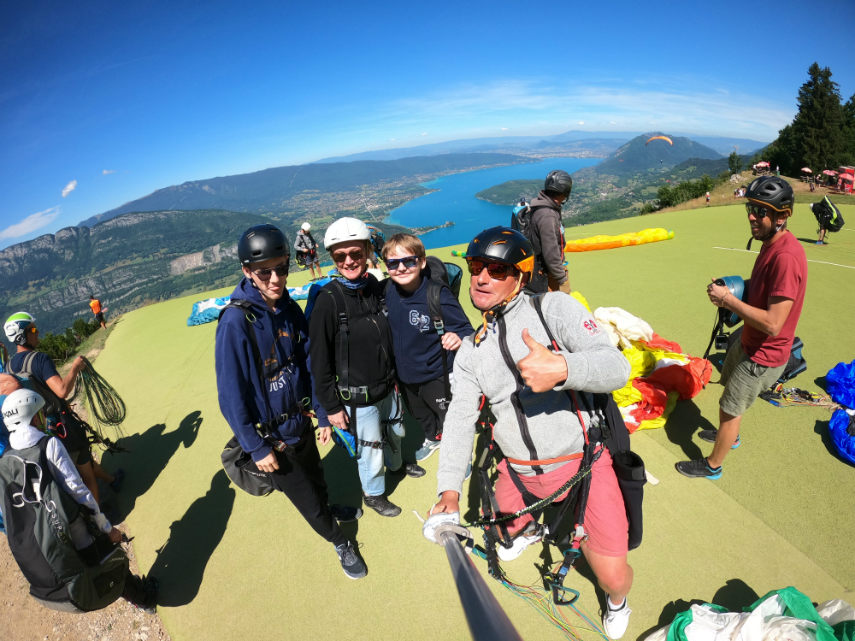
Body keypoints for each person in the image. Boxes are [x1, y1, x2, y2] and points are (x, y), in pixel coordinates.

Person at [428, 227, 635, 638]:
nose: (482, 277)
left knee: (613, 576)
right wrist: (448, 490)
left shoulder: (553, 310)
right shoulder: (471, 351)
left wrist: (563, 369)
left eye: (497, 268)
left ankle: (618, 603)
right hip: (520, 471)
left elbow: (617, 367)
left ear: (520, 276)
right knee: (501, 538)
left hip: (582, 467)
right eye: (476, 266)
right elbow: (459, 421)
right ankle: (533, 526)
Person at [215, 223, 367, 579]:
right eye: (264, 272)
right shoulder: (236, 323)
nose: (274, 279)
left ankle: (329, 507)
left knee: (317, 475)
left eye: (281, 269)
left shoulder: (287, 307)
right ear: (247, 272)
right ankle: (338, 539)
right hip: (273, 439)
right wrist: (255, 447)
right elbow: (230, 394)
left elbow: (308, 362)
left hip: (299, 422)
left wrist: (323, 413)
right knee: (305, 499)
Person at [676, 176, 807, 480]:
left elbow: (774, 324)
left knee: (731, 409)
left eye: (761, 211)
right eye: (751, 207)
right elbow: (761, 286)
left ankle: (712, 466)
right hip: (748, 342)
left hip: (763, 356)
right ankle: (729, 436)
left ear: (782, 216)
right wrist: (732, 289)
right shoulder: (771, 243)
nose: (751, 216)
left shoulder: (786, 257)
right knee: (727, 401)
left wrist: (728, 302)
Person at [309, 217, 424, 519]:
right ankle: (373, 493)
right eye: (340, 256)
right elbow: (318, 361)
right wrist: (331, 407)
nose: (349, 261)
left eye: (356, 254)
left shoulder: (372, 286)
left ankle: (397, 466)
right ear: (332, 259)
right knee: (370, 448)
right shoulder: (327, 302)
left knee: (397, 432)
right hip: (358, 397)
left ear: (366, 252)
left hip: (387, 384)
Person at [0, 388, 157, 610]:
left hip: (46, 540)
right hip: (75, 530)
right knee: (107, 563)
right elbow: (78, 490)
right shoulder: (48, 445)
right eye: (40, 414)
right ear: (34, 417)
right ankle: (146, 600)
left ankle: (135, 596)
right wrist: (105, 526)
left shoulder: (6, 459)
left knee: (92, 569)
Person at [3, 312, 120, 505]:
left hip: (38, 431)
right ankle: (101, 523)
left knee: (69, 471)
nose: (37, 332)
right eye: (33, 329)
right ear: (22, 335)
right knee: (86, 475)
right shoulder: (39, 359)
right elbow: (62, 390)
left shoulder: (8, 368)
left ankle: (112, 480)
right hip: (63, 427)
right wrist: (75, 367)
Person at [382, 233, 473, 462]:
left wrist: (458, 336)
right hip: (406, 374)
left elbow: (466, 328)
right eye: (393, 263)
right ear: (386, 266)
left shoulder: (437, 294)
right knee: (420, 413)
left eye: (409, 261)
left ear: (422, 262)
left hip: (437, 373)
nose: (401, 268)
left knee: (450, 418)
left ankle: (460, 459)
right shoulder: (388, 290)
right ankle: (433, 438)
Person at [527, 170, 572, 294]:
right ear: (565, 192)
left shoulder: (543, 208)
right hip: (550, 275)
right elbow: (550, 252)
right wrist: (562, 279)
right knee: (562, 306)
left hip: (549, 272)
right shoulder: (547, 215)